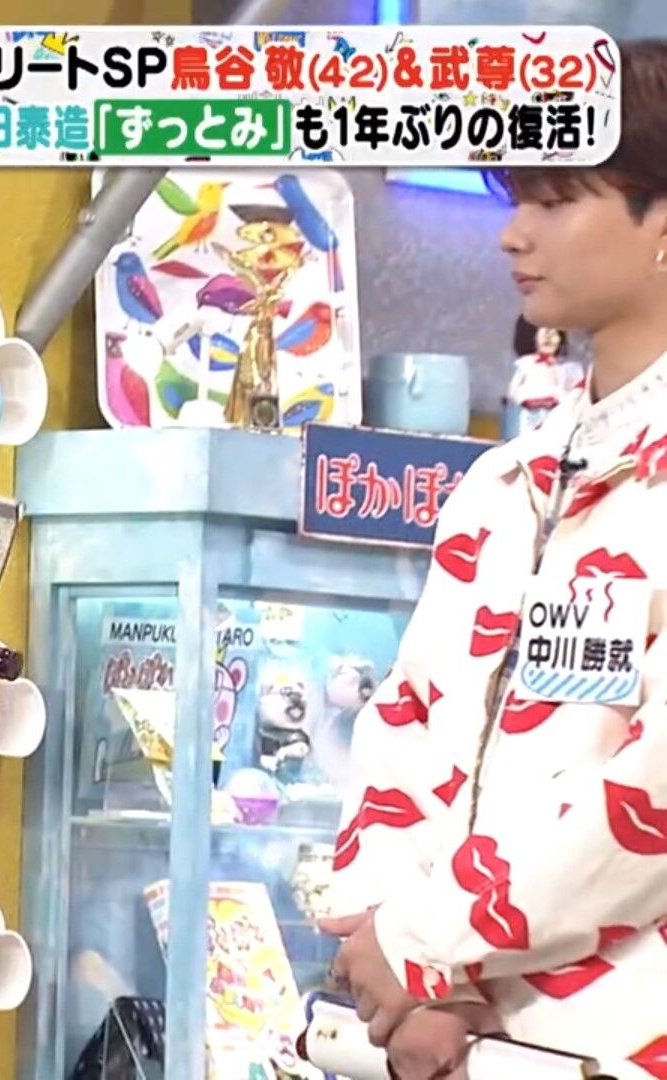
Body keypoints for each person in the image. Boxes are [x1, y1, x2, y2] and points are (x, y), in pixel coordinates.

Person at [318, 39, 667, 1080]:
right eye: (515, 198)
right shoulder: (500, 486)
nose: (513, 232)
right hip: (447, 1043)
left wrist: (430, 950)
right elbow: (402, 729)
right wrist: (406, 968)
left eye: (555, 201)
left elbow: (649, 794)